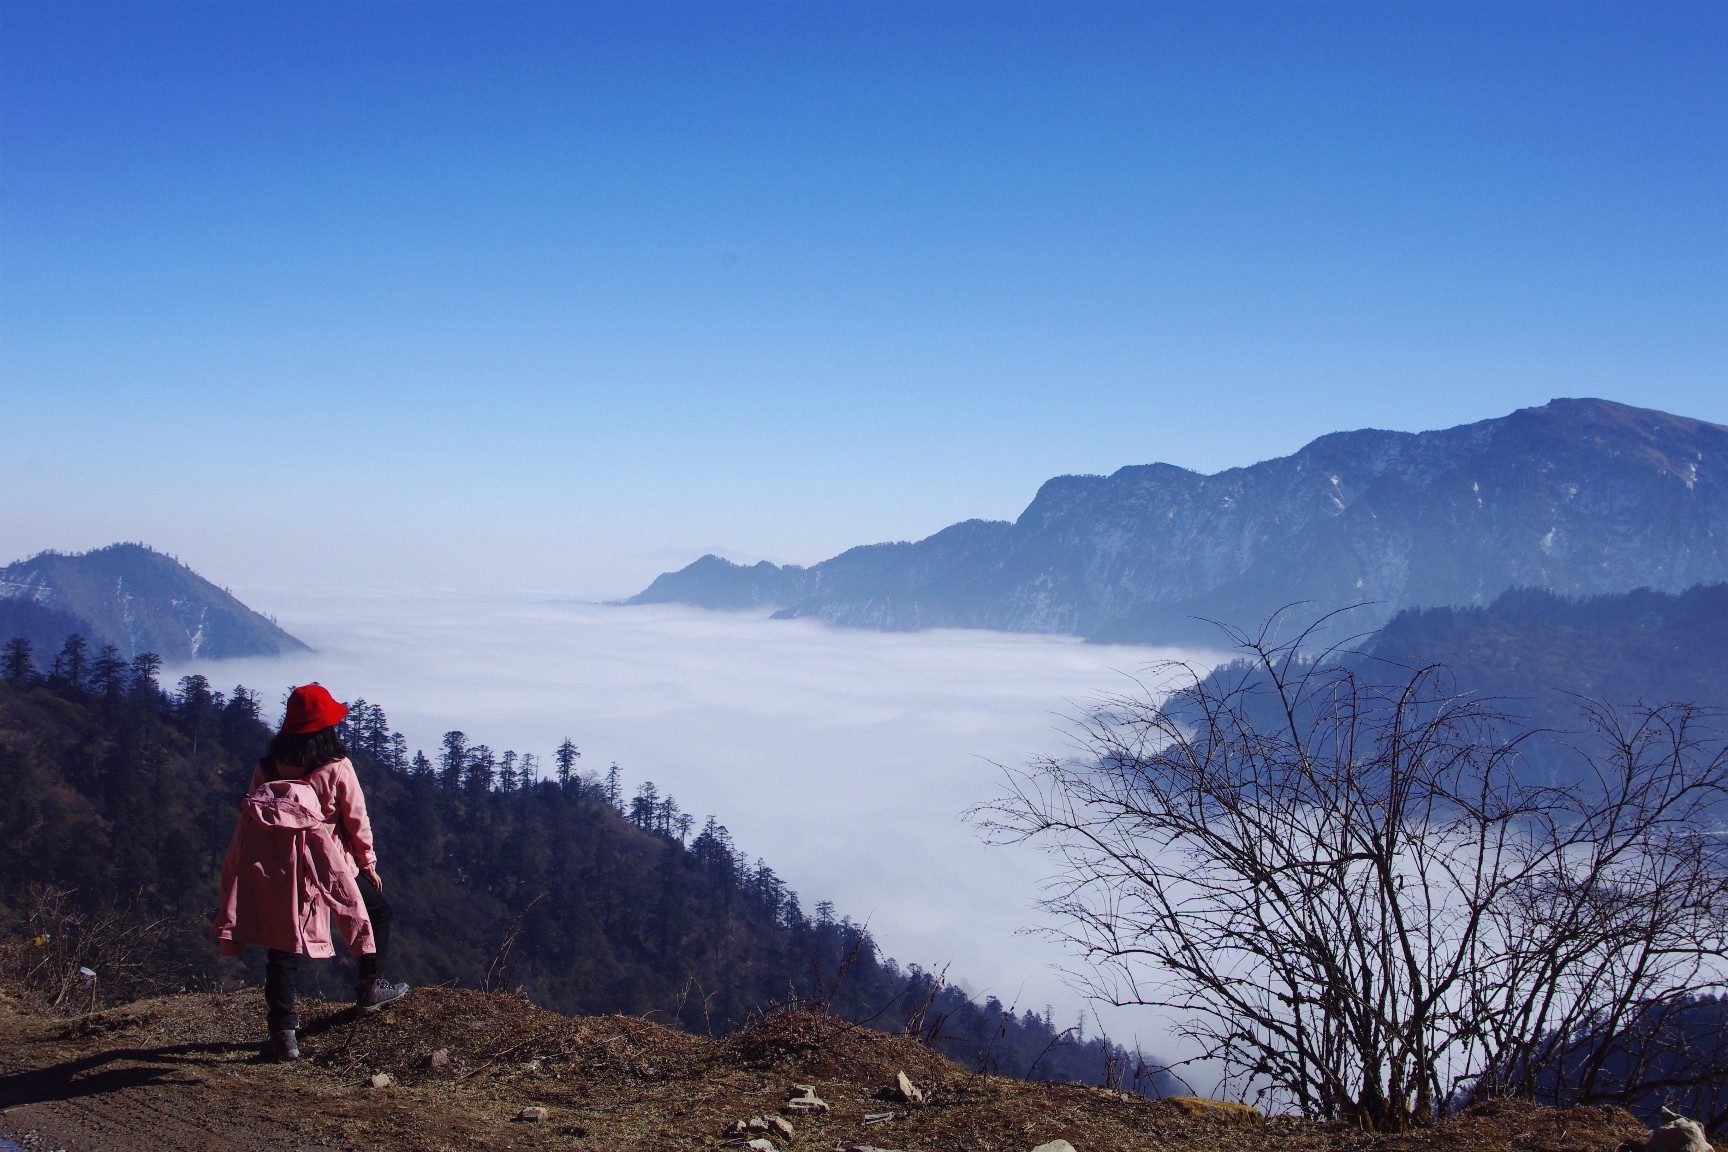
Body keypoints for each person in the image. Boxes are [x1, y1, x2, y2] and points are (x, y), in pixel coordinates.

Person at [210, 683, 409, 1060]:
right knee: (376, 910)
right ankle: (370, 986)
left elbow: (256, 815)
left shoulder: (268, 766)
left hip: (282, 868)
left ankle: (283, 1034)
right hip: (330, 865)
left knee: (282, 946)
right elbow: (356, 821)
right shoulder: (337, 767)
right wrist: (367, 863)